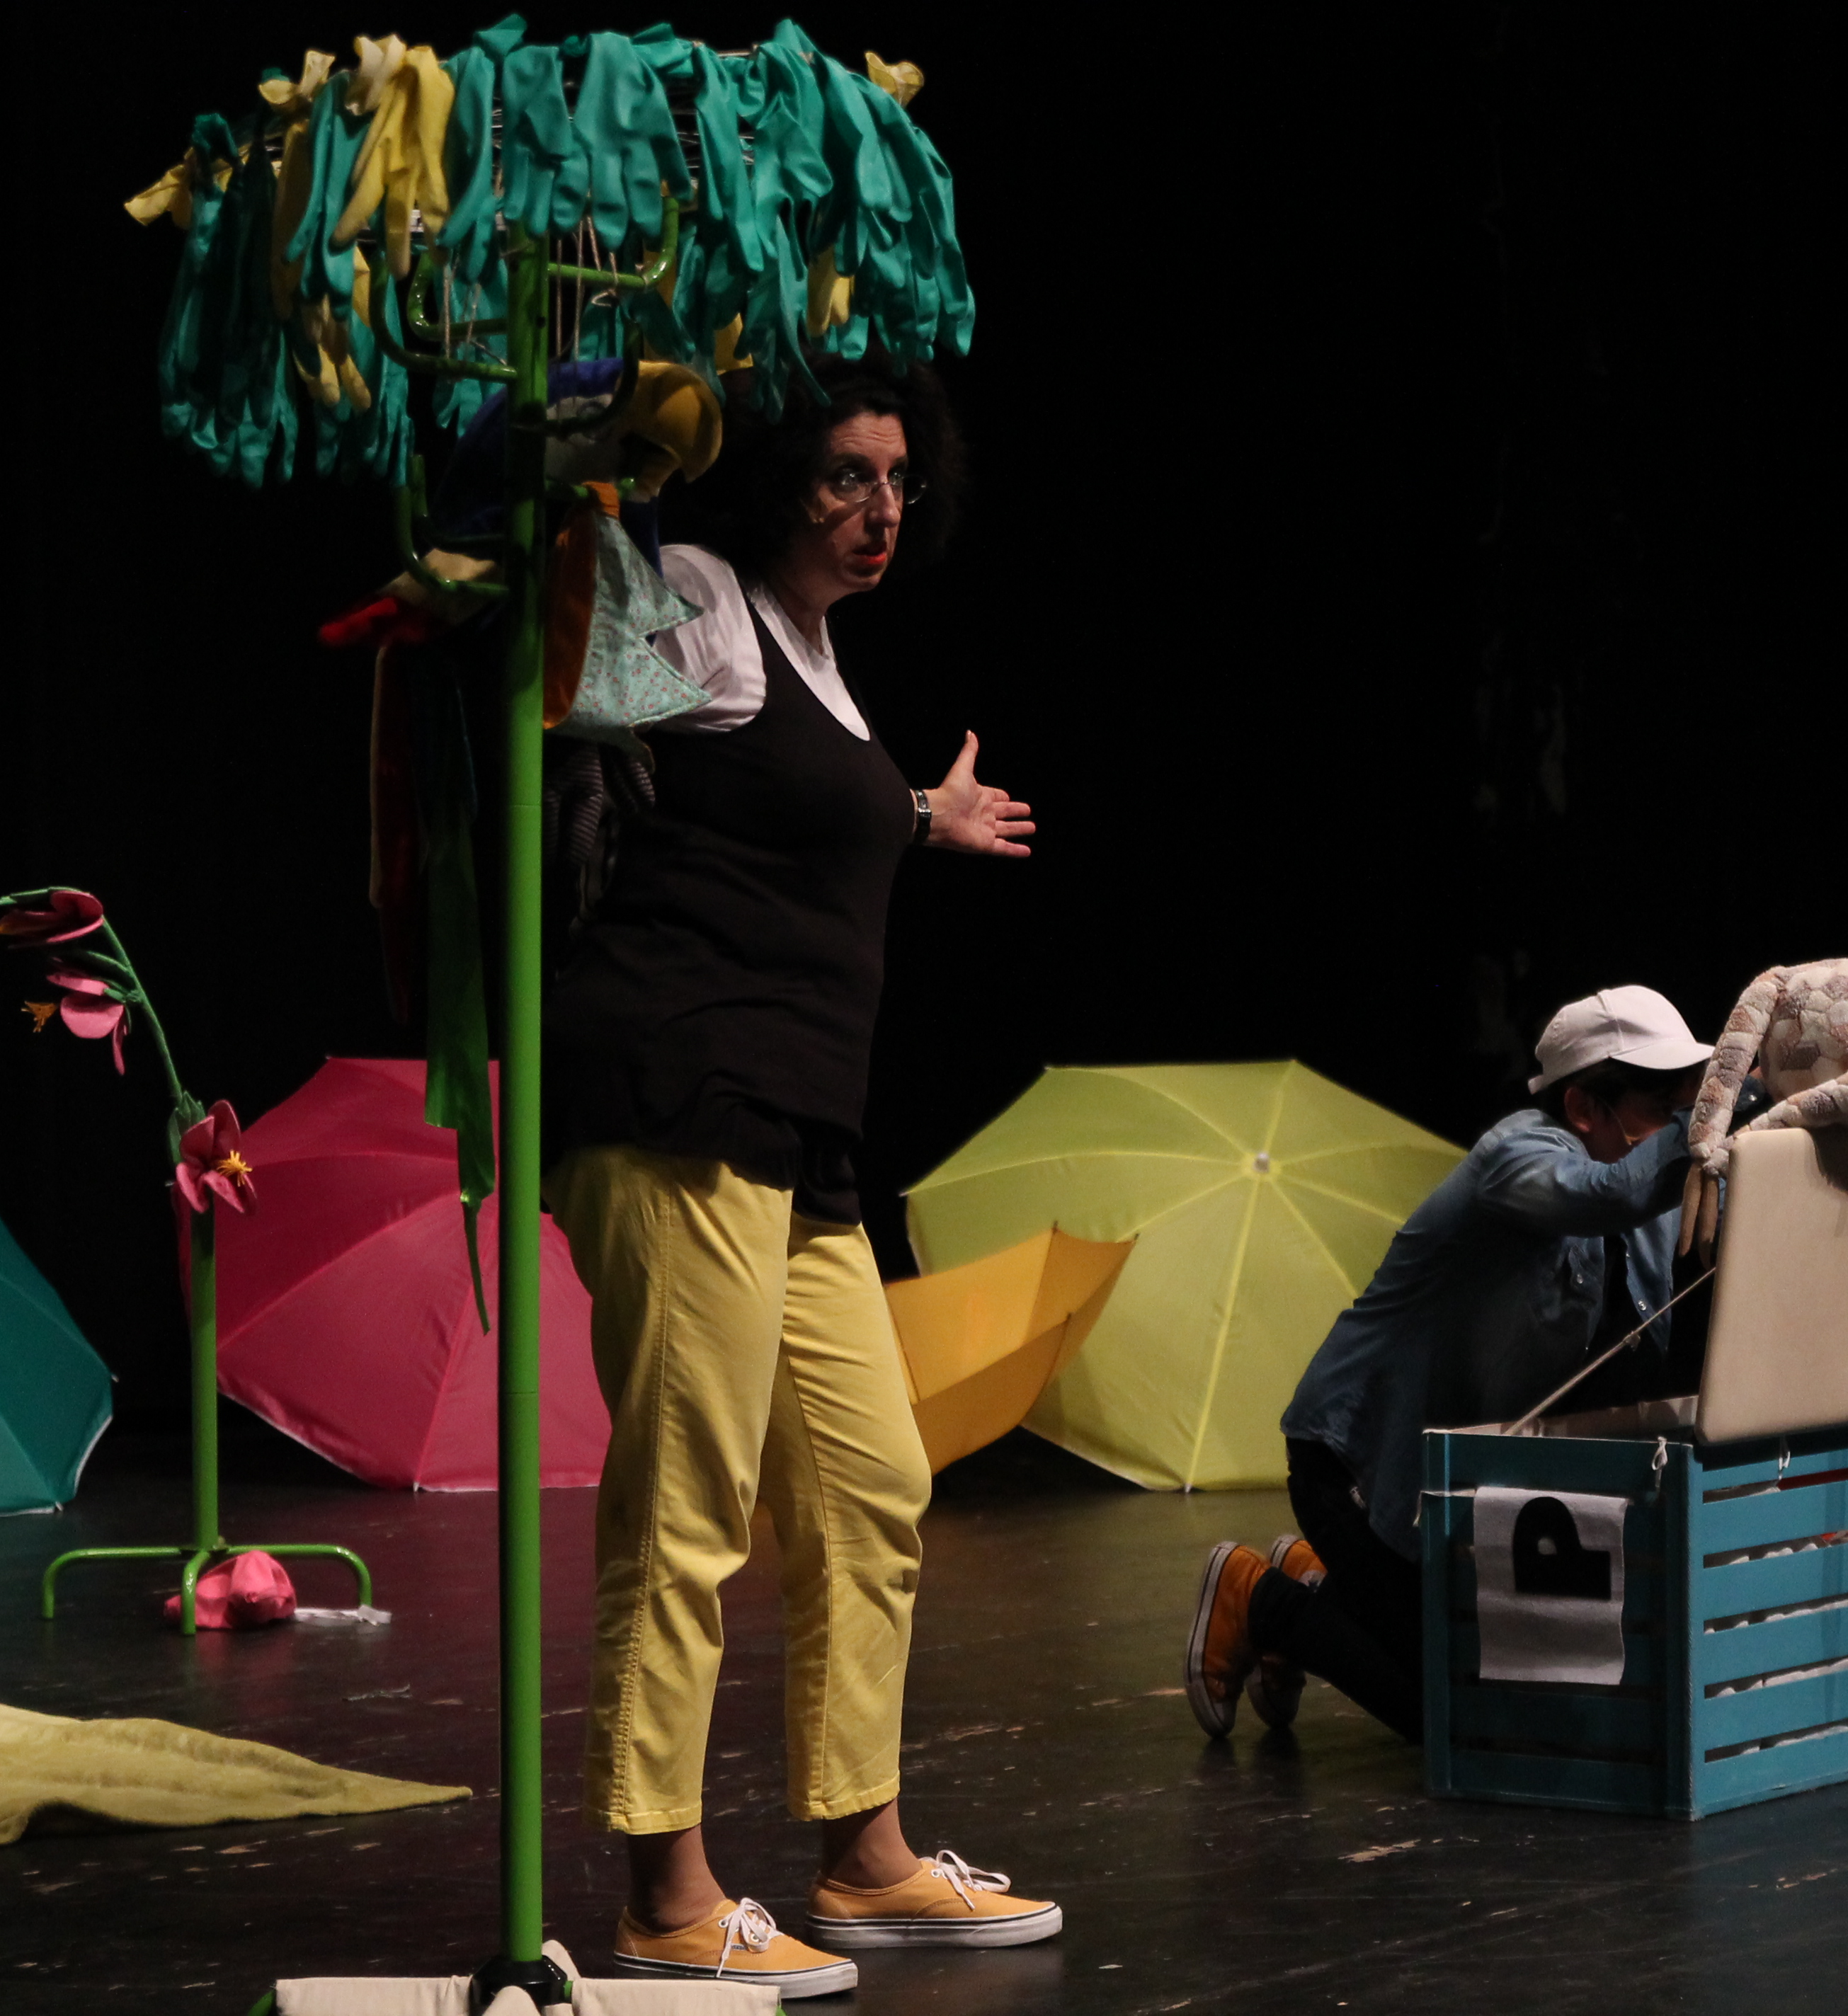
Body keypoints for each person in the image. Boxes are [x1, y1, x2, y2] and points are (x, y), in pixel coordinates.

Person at [541, 361, 1060, 1998]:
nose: (880, 507)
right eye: (846, 474)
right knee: (689, 1502)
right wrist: (598, 470)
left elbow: (774, 803)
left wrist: (917, 813)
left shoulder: (817, 654)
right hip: (679, 1095)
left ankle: (865, 1852)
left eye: (900, 479)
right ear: (776, 478)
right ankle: (664, 1890)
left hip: (798, 1127)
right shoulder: (703, 593)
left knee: (869, 1482)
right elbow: (582, 669)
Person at [1185, 985, 1737, 1743]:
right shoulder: (1516, 1159)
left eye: (1690, 1107)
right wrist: (1727, 1105)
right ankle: (1258, 1599)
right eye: (1665, 1110)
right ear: (1583, 1106)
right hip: (1362, 1468)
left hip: (1453, 1481)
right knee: (1452, 1717)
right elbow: (1608, 1193)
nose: (1689, 1131)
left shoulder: (1654, 1184)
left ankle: (1318, 1578)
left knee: (1490, 1688)